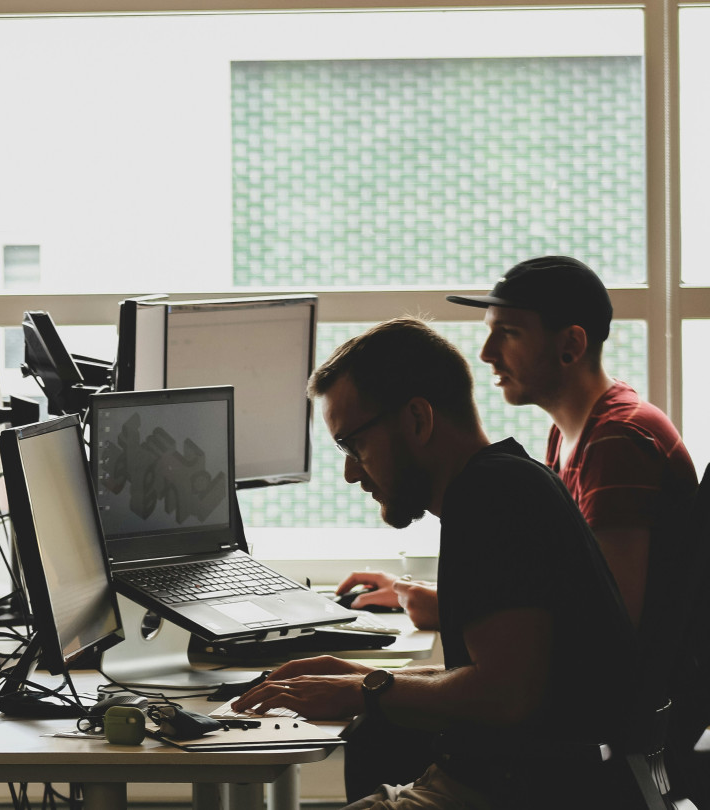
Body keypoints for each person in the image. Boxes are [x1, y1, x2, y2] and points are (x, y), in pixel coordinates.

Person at [233, 318, 638, 809]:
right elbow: (500, 676)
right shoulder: (510, 481)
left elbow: (507, 694)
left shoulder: (491, 498)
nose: (349, 472)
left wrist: (368, 689)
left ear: (418, 419)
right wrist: (357, 677)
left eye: (353, 444)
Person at [341, 256, 697, 631]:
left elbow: (613, 617)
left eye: (508, 332)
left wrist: (449, 608)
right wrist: (417, 592)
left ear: (571, 345)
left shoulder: (617, 440)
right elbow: (567, 587)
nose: (486, 353)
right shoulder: (573, 432)